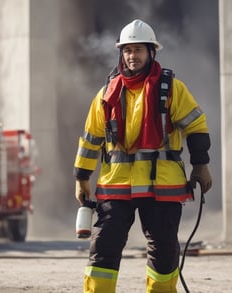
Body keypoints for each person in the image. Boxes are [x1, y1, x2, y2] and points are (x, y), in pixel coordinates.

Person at [74, 19, 212, 293]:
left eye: (138, 49)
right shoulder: (107, 94)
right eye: (127, 50)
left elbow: (196, 126)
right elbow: (91, 138)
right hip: (116, 186)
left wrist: (201, 166)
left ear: (151, 52)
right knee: (103, 249)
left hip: (162, 186)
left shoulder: (171, 89)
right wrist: (81, 177)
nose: (132, 56)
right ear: (121, 54)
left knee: (163, 251)